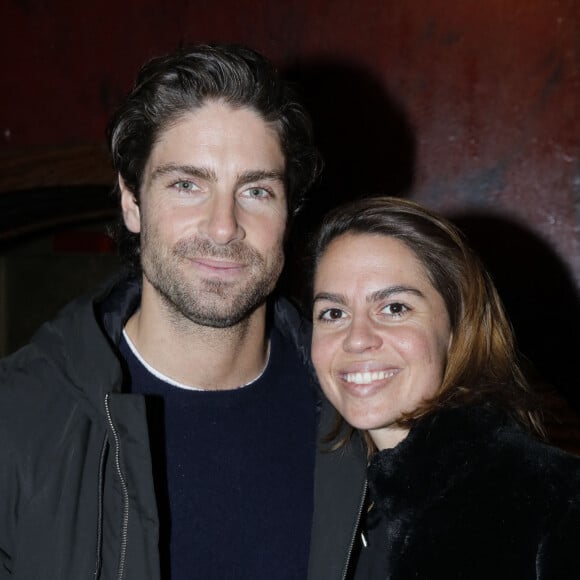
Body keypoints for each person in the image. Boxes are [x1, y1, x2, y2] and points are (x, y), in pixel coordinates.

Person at [0, 44, 366, 580]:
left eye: (257, 190)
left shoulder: (361, 411)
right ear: (132, 202)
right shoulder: (21, 418)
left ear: (288, 211)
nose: (223, 227)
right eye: (187, 185)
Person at [310, 196, 580, 579]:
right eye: (333, 313)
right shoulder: (320, 499)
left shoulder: (556, 503)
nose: (357, 339)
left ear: (457, 328)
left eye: (394, 308)